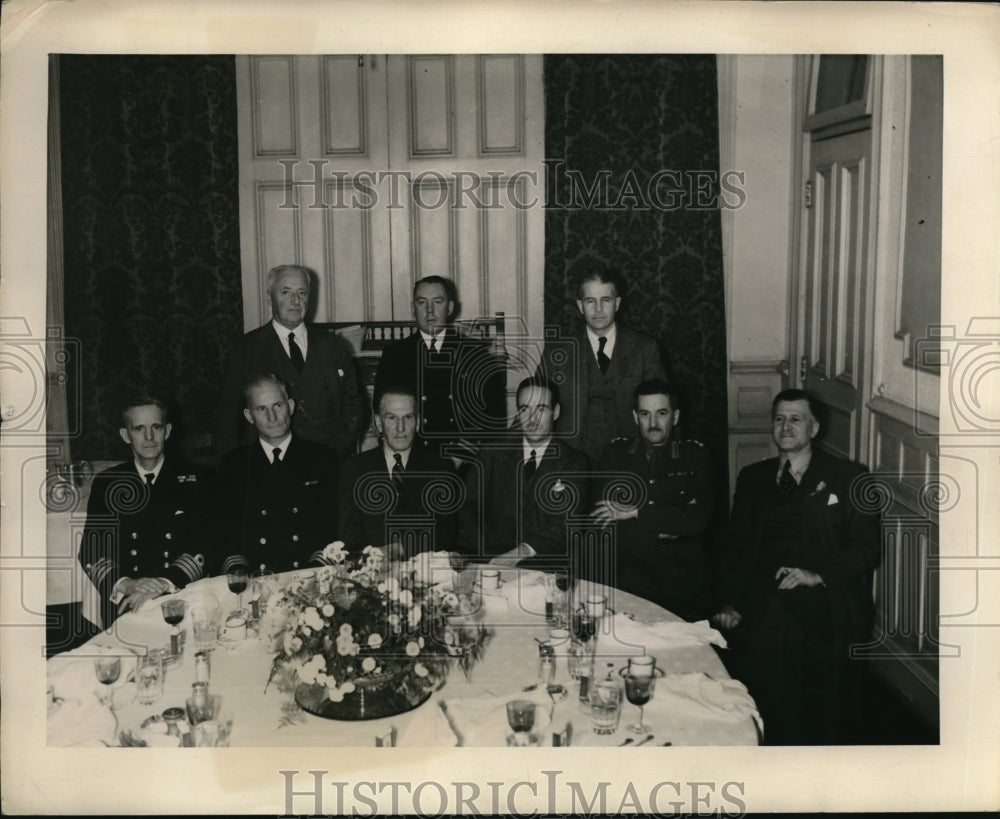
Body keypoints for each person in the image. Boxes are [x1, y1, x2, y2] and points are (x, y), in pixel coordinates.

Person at [711, 389, 882, 744]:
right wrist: (729, 602)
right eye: (779, 419)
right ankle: (769, 731)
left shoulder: (849, 477)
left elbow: (866, 550)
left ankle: (753, 731)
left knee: (776, 618)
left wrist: (815, 575)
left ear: (814, 428)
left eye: (796, 419)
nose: (785, 427)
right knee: (772, 616)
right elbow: (734, 549)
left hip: (827, 596)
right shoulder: (753, 477)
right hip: (765, 590)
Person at [79, 396, 212, 627]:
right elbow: (92, 549)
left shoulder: (198, 479)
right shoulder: (107, 483)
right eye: (139, 429)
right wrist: (127, 584)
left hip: (180, 595)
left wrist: (162, 584)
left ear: (167, 431)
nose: (149, 437)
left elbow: (206, 544)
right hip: (127, 602)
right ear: (125, 435)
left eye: (156, 427)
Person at [591, 379, 714, 619]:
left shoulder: (696, 456)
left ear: (675, 417)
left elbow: (698, 521)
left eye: (662, 413)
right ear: (636, 417)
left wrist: (636, 512)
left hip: (682, 576)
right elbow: (601, 522)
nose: (653, 424)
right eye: (645, 414)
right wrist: (667, 523)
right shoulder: (616, 455)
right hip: (628, 570)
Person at [216, 264, 364, 460]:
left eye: (302, 292)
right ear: (270, 296)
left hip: (326, 462)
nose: (295, 301)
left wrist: (335, 451)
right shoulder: (245, 349)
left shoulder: (333, 346)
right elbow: (227, 419)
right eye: (286, 292)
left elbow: (354, 405)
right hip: (266, 466)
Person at [456, 376, 589, 565]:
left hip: (543, 572)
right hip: (489, 564)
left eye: (541, 408)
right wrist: (488, 557)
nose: (532, 419)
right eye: (525, 409)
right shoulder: (491, 454)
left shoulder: (575, 463)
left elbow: (566, 526)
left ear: (556, 412)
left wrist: (519, 554)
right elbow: (468, 510)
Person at [373, 275, 507, 463]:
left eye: (437, 301)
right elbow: (382, 412)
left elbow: (493, 416)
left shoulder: (475, 353)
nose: (429, 310)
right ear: (413, 308)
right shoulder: (395, 355)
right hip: (411, 461)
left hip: (464, 462)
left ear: (450, 308)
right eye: (422, 302)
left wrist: (458, 458)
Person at [540, 269, 667, 465]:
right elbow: (533, 407)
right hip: (570, 464)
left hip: (632, 462)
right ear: (580, 306)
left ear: (617, 303)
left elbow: (663, 410)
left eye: (606, 300)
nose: (598, 309)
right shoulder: (557, 352)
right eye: (590, 301)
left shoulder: (644, 348)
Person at [217, 374, 339, 574]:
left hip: (310, 574)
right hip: (257, 578)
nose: (272, 417)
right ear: (249, 416)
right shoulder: (233, 465)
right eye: (261, 409)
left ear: (290, 406)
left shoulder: (323, 459)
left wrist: (313, 573)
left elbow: (334, 526)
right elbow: (226, 532)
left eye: (277, 406)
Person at [337, 386, 459, 557]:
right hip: (371, 575)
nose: (400, 427)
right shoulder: (355, 469)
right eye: (392, 417)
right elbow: (348, 536)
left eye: (408, 417)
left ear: (417, 422)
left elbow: (446, 535)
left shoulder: (441, 469)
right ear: (379, 423)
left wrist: (398, 549)